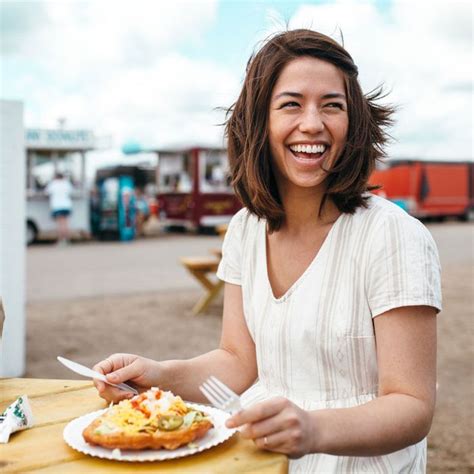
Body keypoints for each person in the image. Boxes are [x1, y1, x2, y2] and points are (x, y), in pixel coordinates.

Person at [92, 30, 441, 472]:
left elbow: (412, 406)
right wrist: (159, 377)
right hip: (260, 459)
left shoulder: (393, 235)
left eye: (332, 105)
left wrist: (314, 430)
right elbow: (237, 361)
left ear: (354, 123)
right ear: (260, 121)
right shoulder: (244, 229)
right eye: (291, 104)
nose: (312, 123)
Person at [45, 172, 74, 245]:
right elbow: (71, 191)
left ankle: (61, 240)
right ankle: (67, 240)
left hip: (57, 205)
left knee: (60, 224)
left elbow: (46, 192)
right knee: (66, 223)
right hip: (67, 205)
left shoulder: (53, 183)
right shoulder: (66, 183)